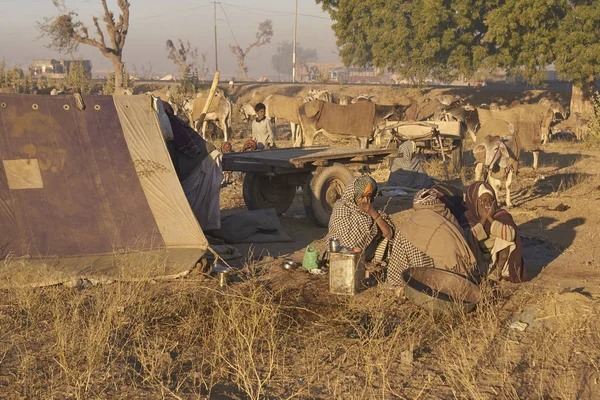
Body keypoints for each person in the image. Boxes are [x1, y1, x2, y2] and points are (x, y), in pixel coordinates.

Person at [386, 188, 477, 287]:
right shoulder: (447, 220)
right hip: (451, 284)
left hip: (416, 285)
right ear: (437, 203)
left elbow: (395, 271)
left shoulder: (405, 229)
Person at [161, 101, 223, 231]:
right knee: (203, 204)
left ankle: (198, 231)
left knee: (191, 204)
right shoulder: (175, 127)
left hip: (203, 162)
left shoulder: (169, 132)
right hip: (204, 159)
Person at [464, 181, 525, 283]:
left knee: (506, 239)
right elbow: (469, 238)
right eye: (483, 200)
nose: (487, 204)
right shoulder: (467, 218)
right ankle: (478, 273)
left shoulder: (501, 215)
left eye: (490, 200)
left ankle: (497, 272)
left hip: (496, 257)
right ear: (475, 202)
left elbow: (510, 235)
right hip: (477, 258)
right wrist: (483, 220)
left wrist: (490, 218)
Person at [328, 176, 394, 263]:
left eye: (369, 196)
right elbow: (347, 243)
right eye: (362, 196)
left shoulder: (374, 211)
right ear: (354, 195)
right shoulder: (342, 209)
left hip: (365, 258)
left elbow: (389, 234)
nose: (366, 200)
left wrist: (373, 212)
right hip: (341, 259)